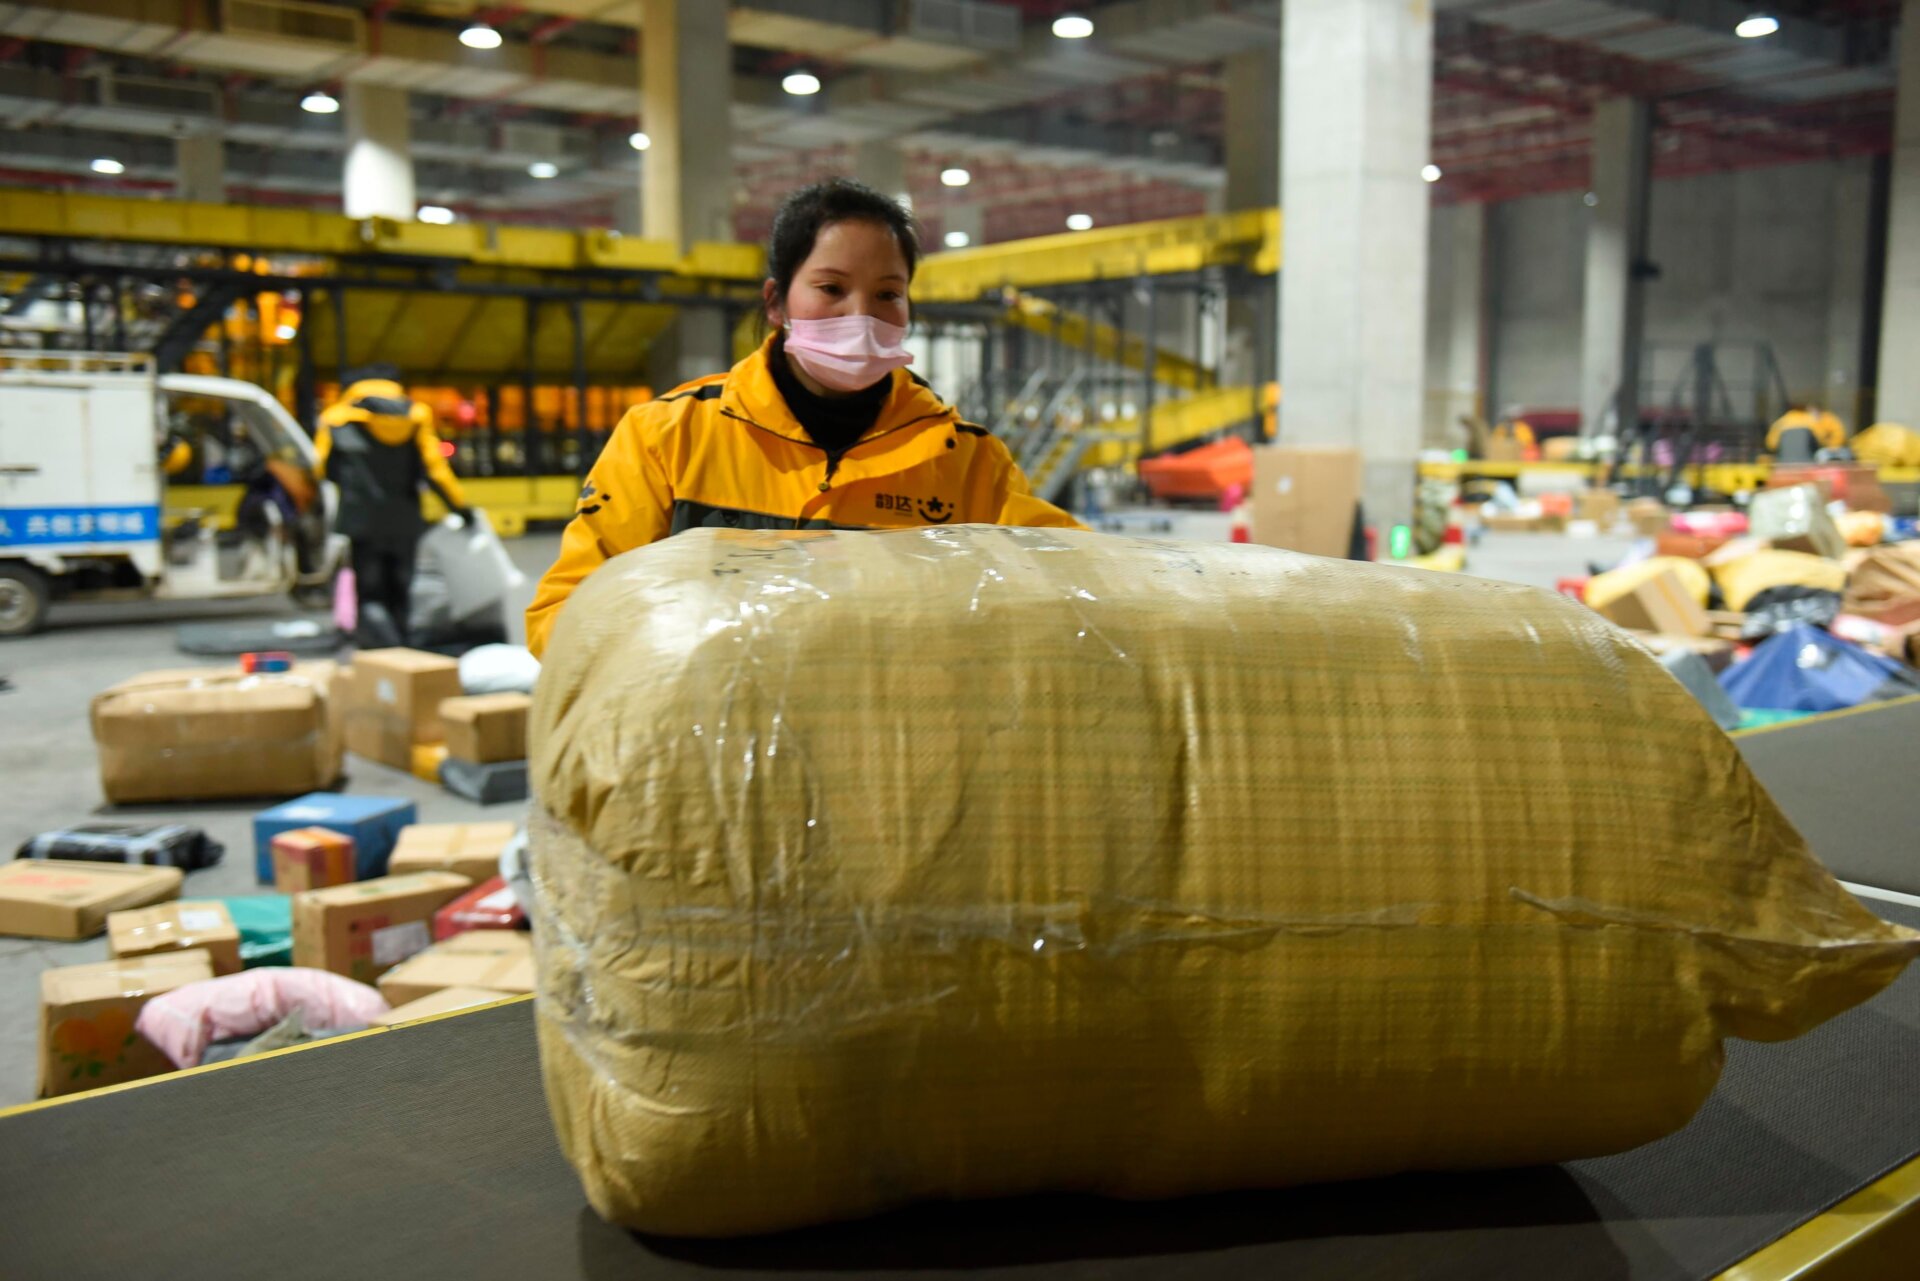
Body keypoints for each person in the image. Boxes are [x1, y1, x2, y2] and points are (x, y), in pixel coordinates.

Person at [525, 177, 1081, 657]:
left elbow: (1076, 584)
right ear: (776, 303)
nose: (861, 315)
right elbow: (568, 614)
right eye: (831, 288)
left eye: (888, 294)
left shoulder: (967, 461)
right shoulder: (668, 437)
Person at [315, 364, 472, 646]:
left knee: (370, 592)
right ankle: (402, 647)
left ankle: (377, 650)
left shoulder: (337, 418)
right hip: (404, 519)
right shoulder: (416, 415)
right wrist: (459, 507)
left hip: (361, 521)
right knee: (401, 590)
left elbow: (321, 468)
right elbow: (434, 469)